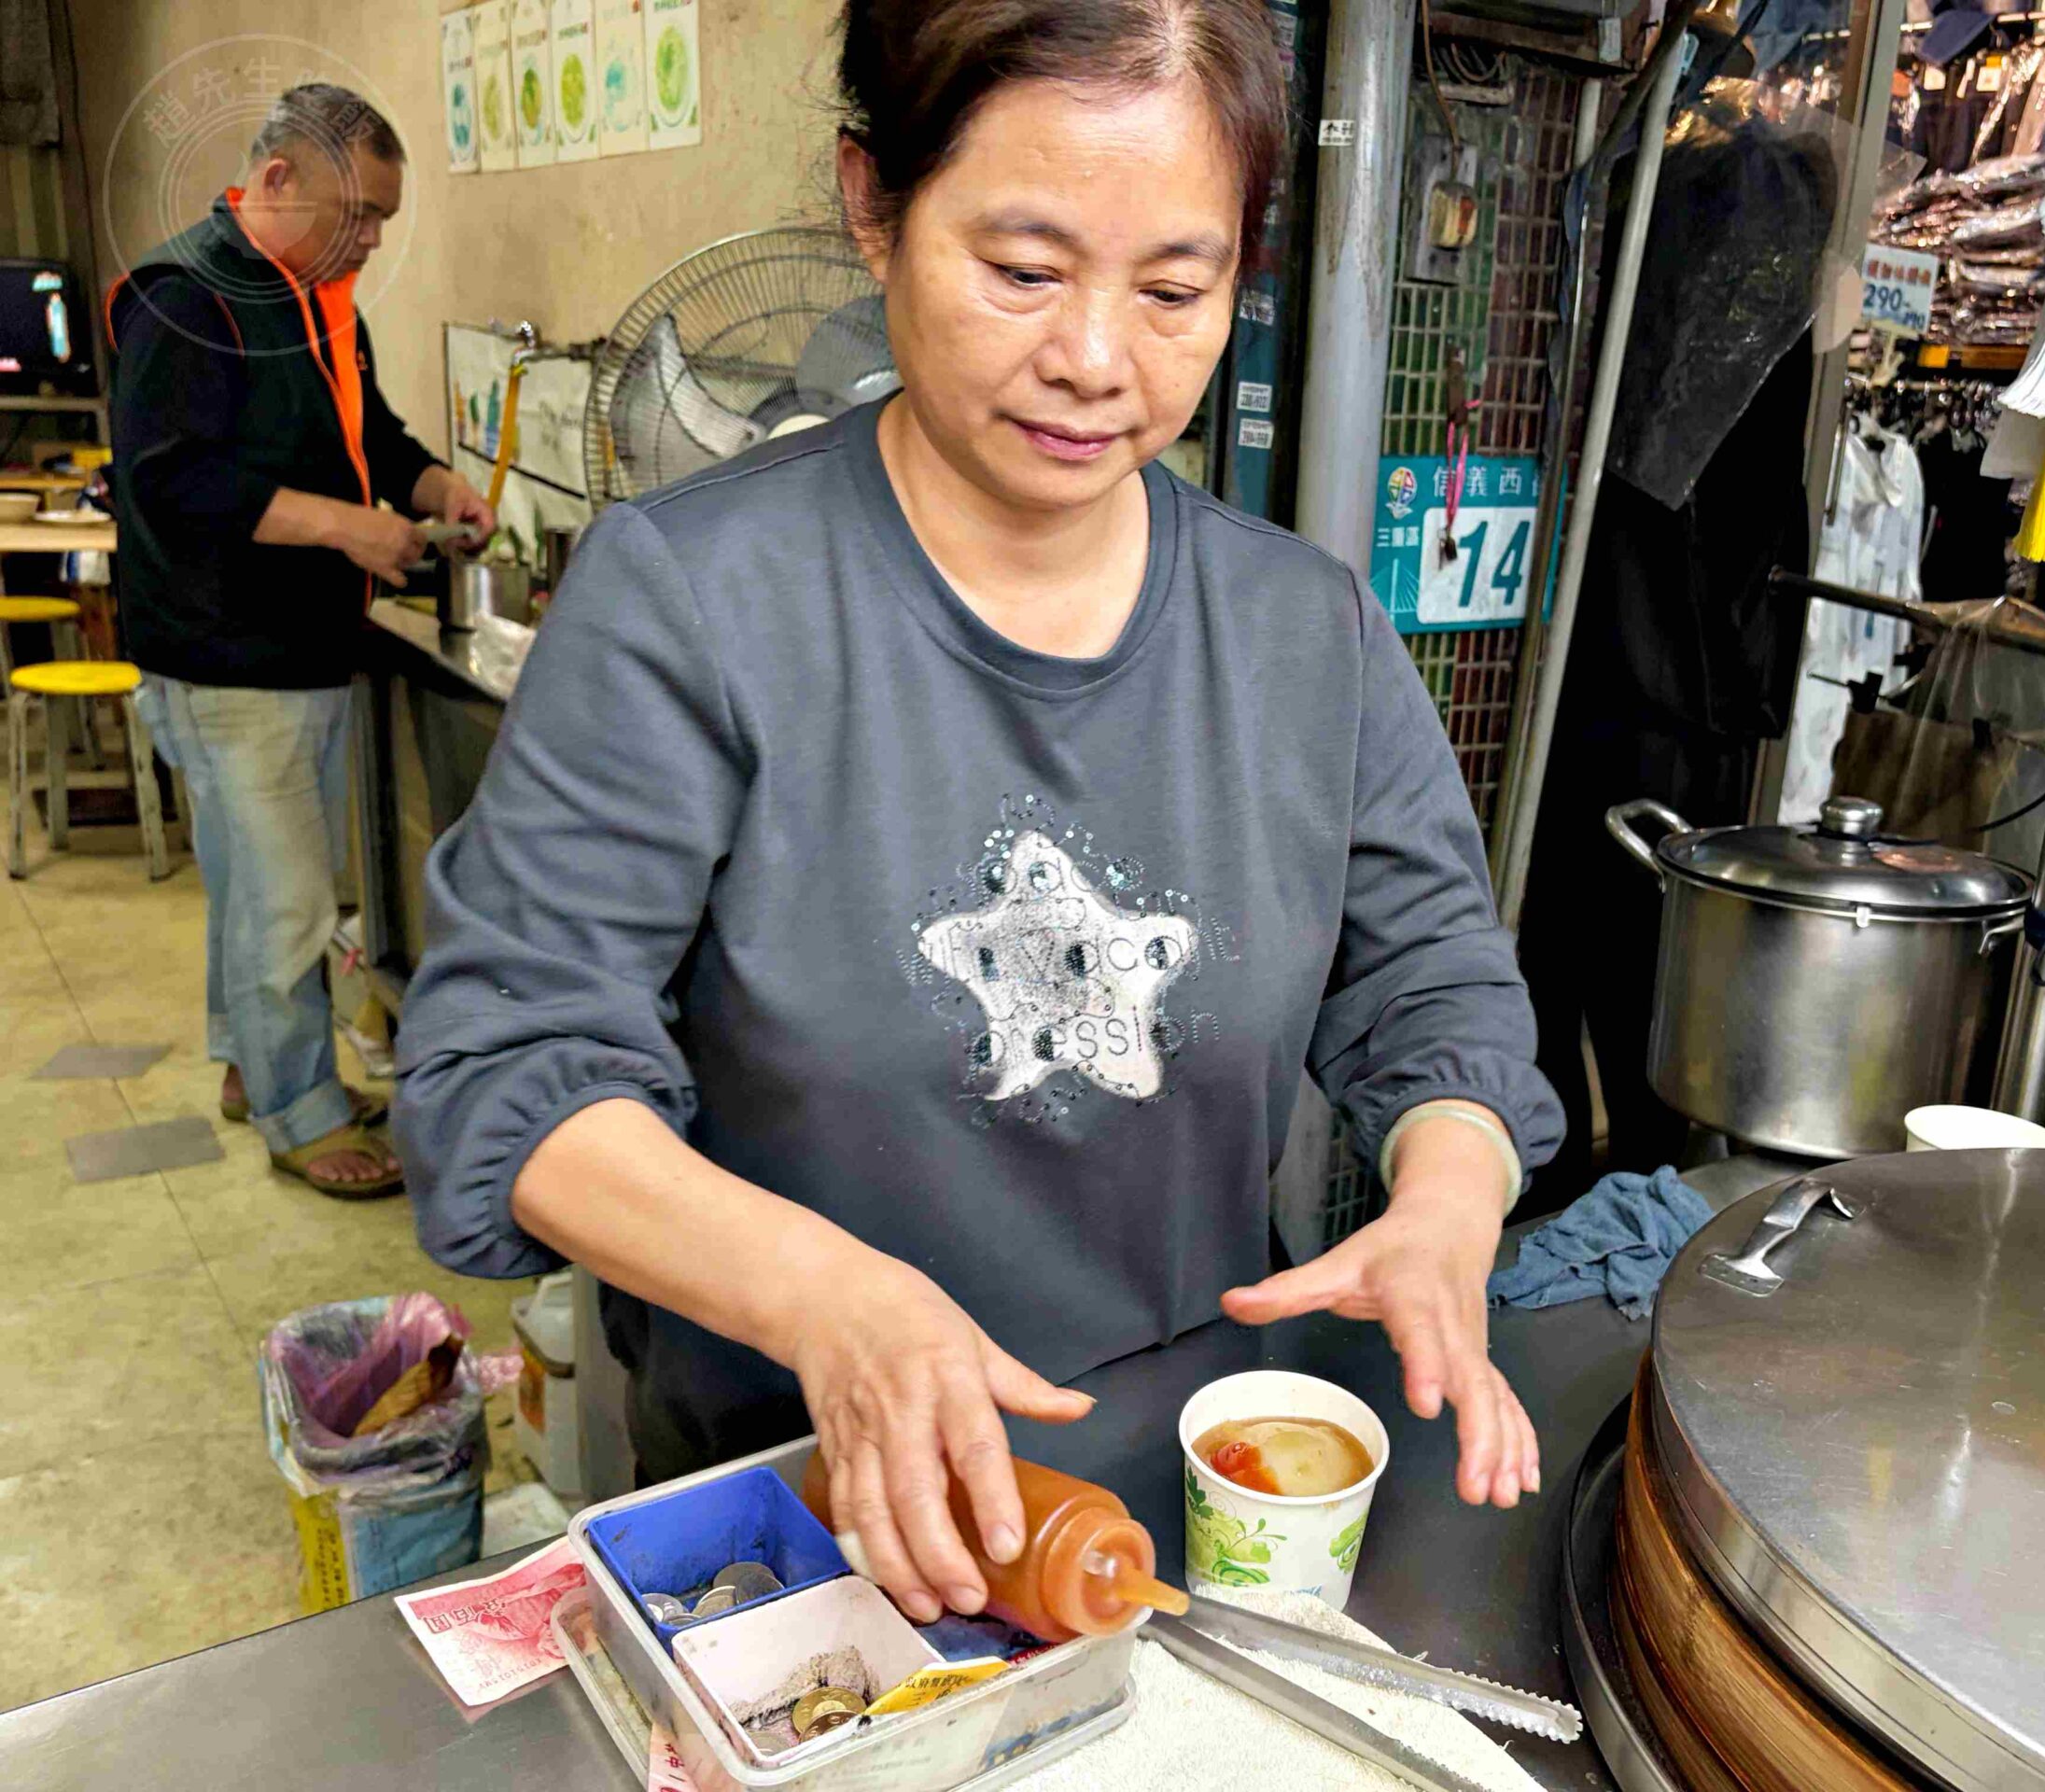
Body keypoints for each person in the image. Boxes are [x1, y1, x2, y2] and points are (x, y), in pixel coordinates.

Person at [395, 0, 1562, 1627]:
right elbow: (511, 1067)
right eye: (1023, 270)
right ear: (874, 205)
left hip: (1172, 1493)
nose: (1097, 358)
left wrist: (1447, 1202)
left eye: (1176, 289)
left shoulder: (1307, 637)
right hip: (798, 1507)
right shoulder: (694, 605)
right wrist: (832, 1301)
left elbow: (1435, 989)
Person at [107, 85, 493, 1197]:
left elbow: (364, 429)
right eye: (358, 212)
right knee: (287, 902)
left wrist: (430, 482)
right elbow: (176, 482)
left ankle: (252, 1066)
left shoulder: (318, 299)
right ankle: (299, 1114)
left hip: (304, 644)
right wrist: (348, 528)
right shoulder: (187, 297)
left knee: (250, 885)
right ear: (277, 181)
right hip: (232, 656)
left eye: (381, 218)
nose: (370, 238)